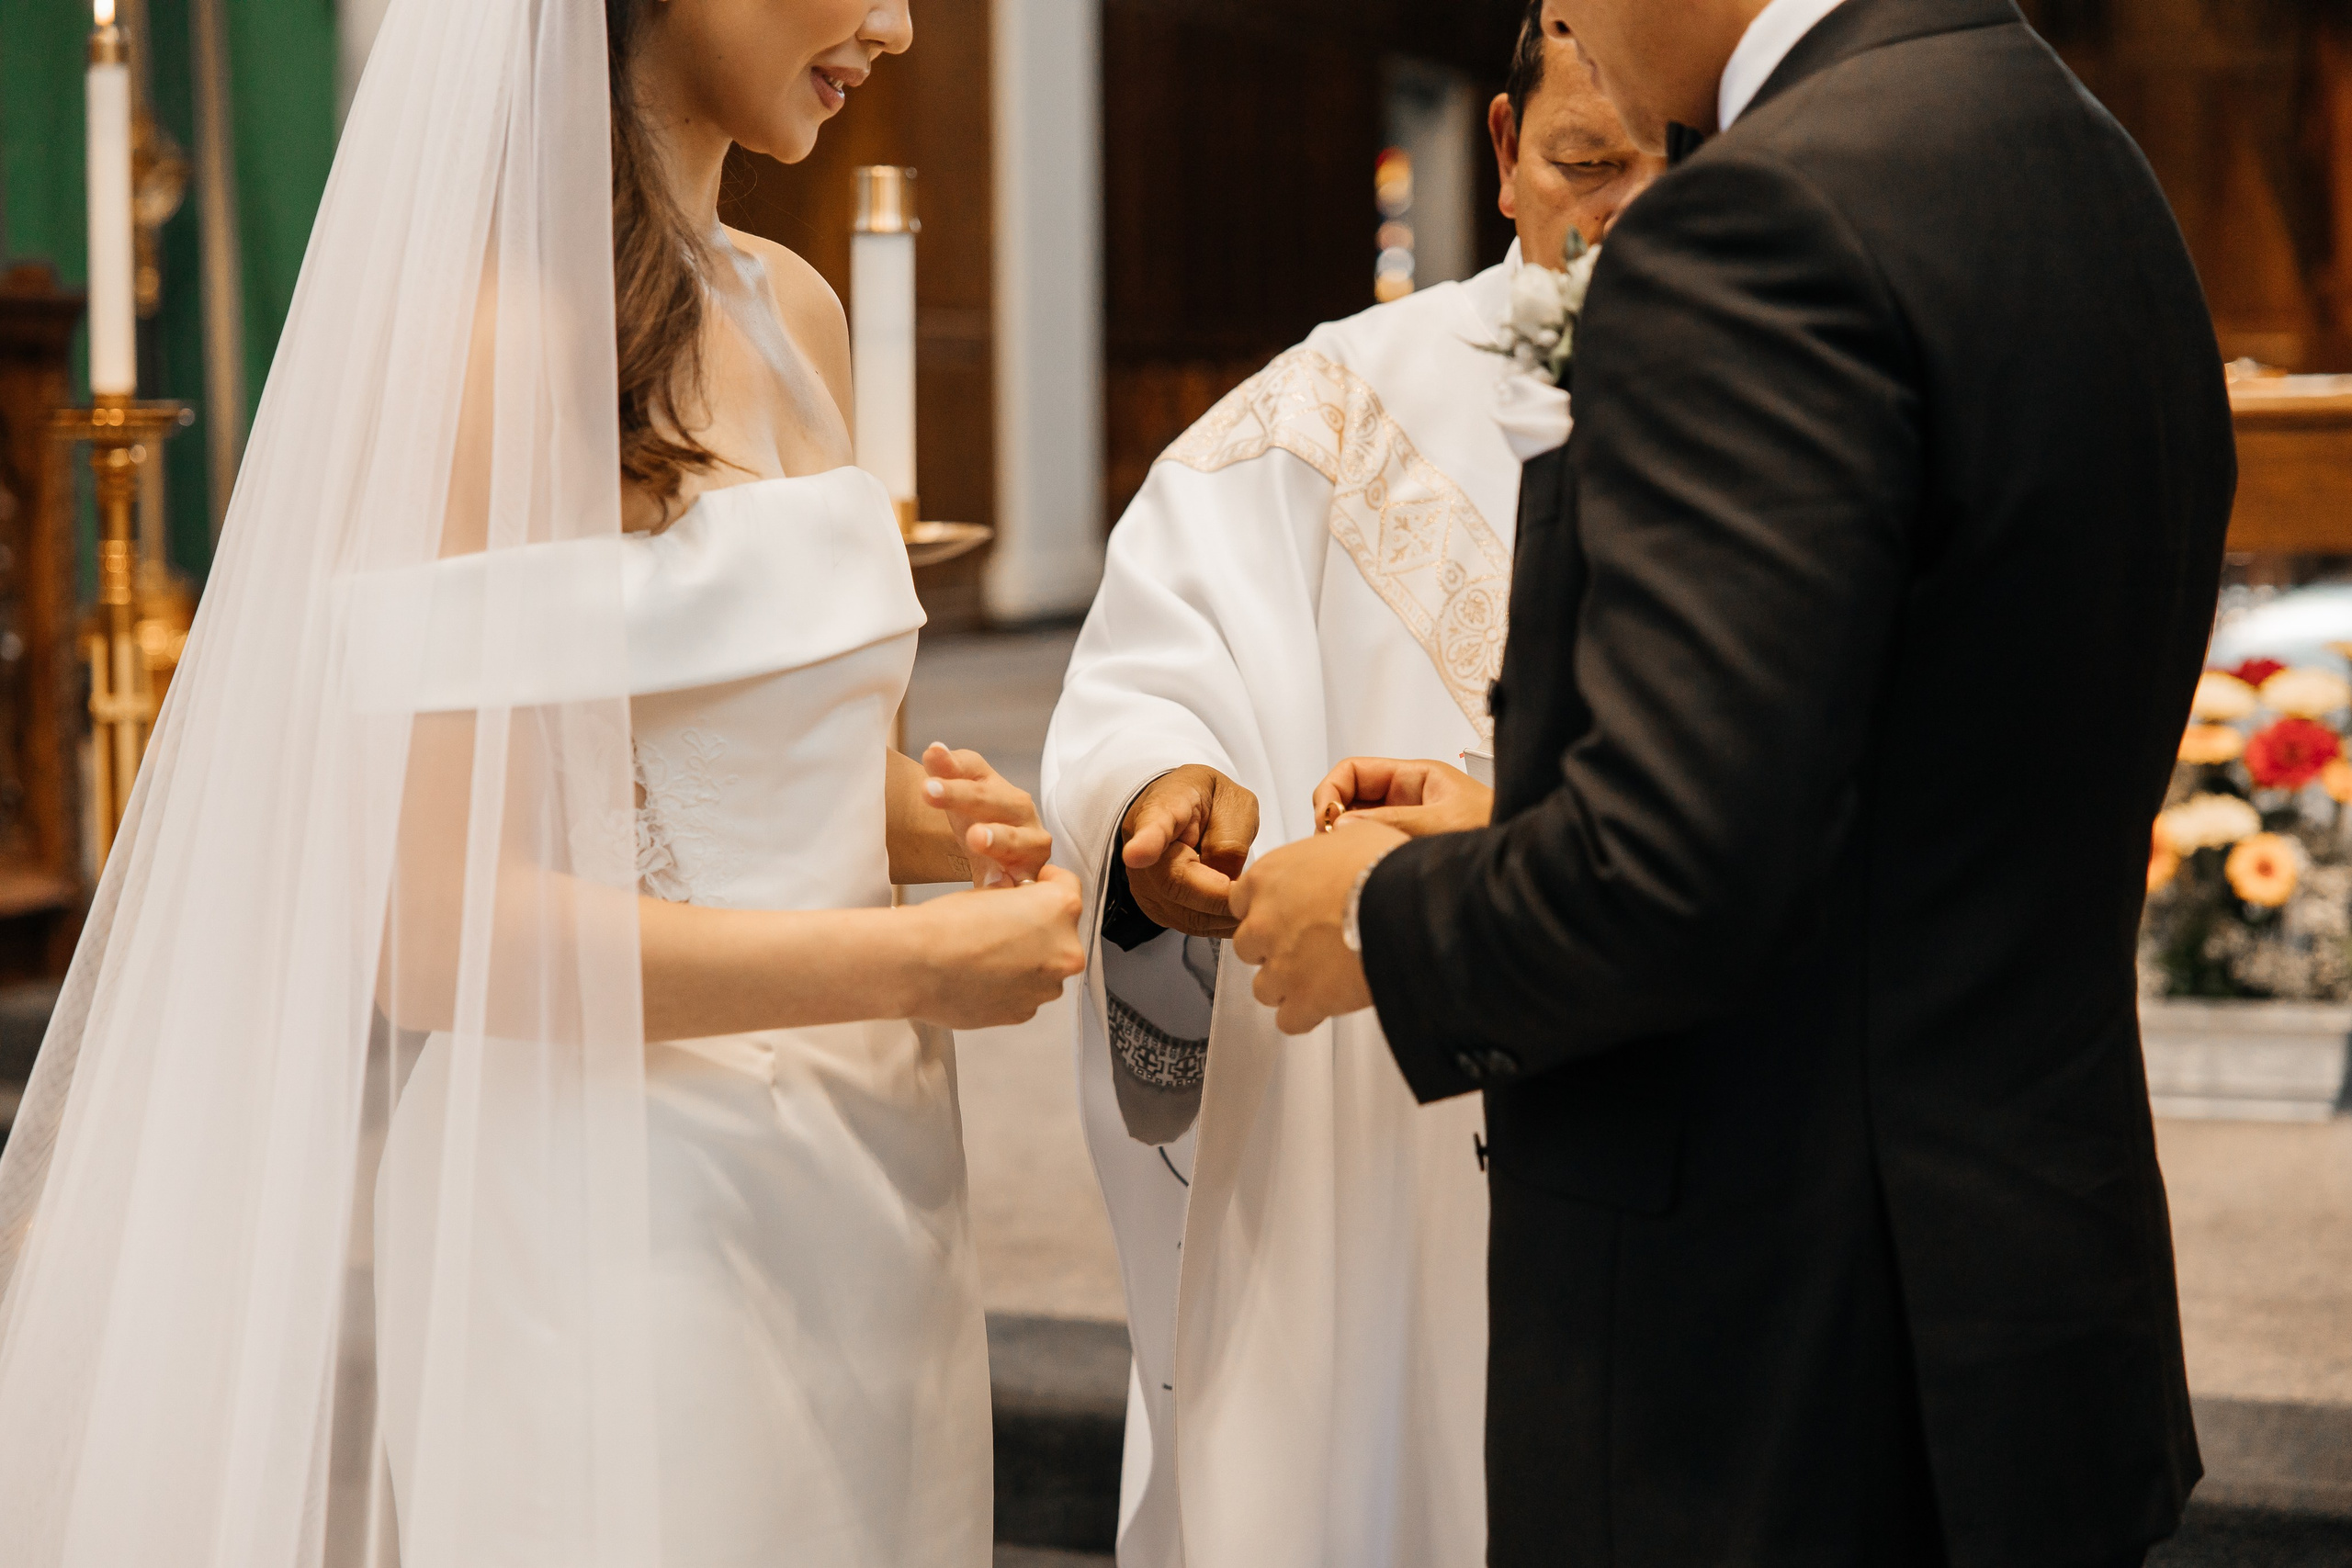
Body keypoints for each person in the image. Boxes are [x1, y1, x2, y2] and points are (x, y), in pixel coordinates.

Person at [0, 0, 1082, 1562]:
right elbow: (434, 930)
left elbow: (732, 758)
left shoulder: (798, 309)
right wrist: (911, 965)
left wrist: (923, 817)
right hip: (626, 1223)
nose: (897, 26)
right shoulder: (489, 342)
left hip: (874, 1185)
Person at [1231, 0, 2233, 1565]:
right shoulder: (2074, 147)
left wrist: (1381, 916)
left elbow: (1669, 878)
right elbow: (1931, 756)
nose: (1564, 10)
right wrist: (1514, 824)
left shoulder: (1762, 223)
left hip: (1775, 1366)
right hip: (2025, 1311)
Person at [1038, 13, 1661, 1566]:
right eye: (1588, 164)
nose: (1630, 221)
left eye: (1681, 169)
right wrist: (1163, 786)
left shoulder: (1800, 396)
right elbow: (1155, 652)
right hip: (1380, 1140)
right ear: (1505, 151)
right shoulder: (1342, 400)